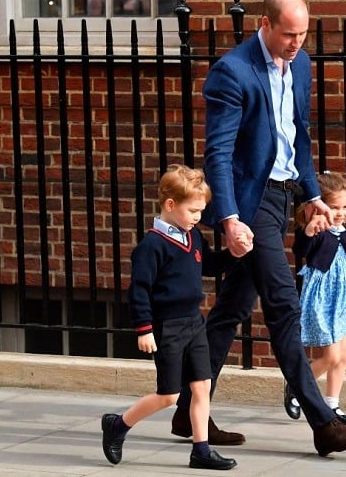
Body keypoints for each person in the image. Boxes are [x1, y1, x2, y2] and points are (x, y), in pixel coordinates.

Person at [170, 0, 346, 457]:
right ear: (265, 24)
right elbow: (217, 154)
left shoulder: (299, 64)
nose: (296, 43)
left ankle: (187, 408)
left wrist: (312, 194)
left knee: (232, 308)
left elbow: (297, 135)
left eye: (302, 34)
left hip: (284, 198)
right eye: (288, 35)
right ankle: (324, 423)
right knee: (284, 304)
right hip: (252, 202)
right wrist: (228, 218)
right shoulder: (232, 72)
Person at [101, 164, 249, 470]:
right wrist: (144, 329)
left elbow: (210, 265)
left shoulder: (192, 238)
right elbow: (139, 291)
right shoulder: (152, 246)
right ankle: (118, 424)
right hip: (167, 327)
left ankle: (201, 450)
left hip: (195, 322)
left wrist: (236, 253)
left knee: (201, 386)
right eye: (193, 210)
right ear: (170, 205)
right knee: (169, 395)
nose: (198, 217)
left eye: (201, 211)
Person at [283, 172, 346, 426]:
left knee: (343, 355)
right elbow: (300, 251)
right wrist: (310, 231)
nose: (341, 212)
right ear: (320, 206)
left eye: (345, 206)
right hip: (324, 299)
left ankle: (332, 404)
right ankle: (296, 387)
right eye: (334, 207)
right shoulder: (316, 231)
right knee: (330, 356)